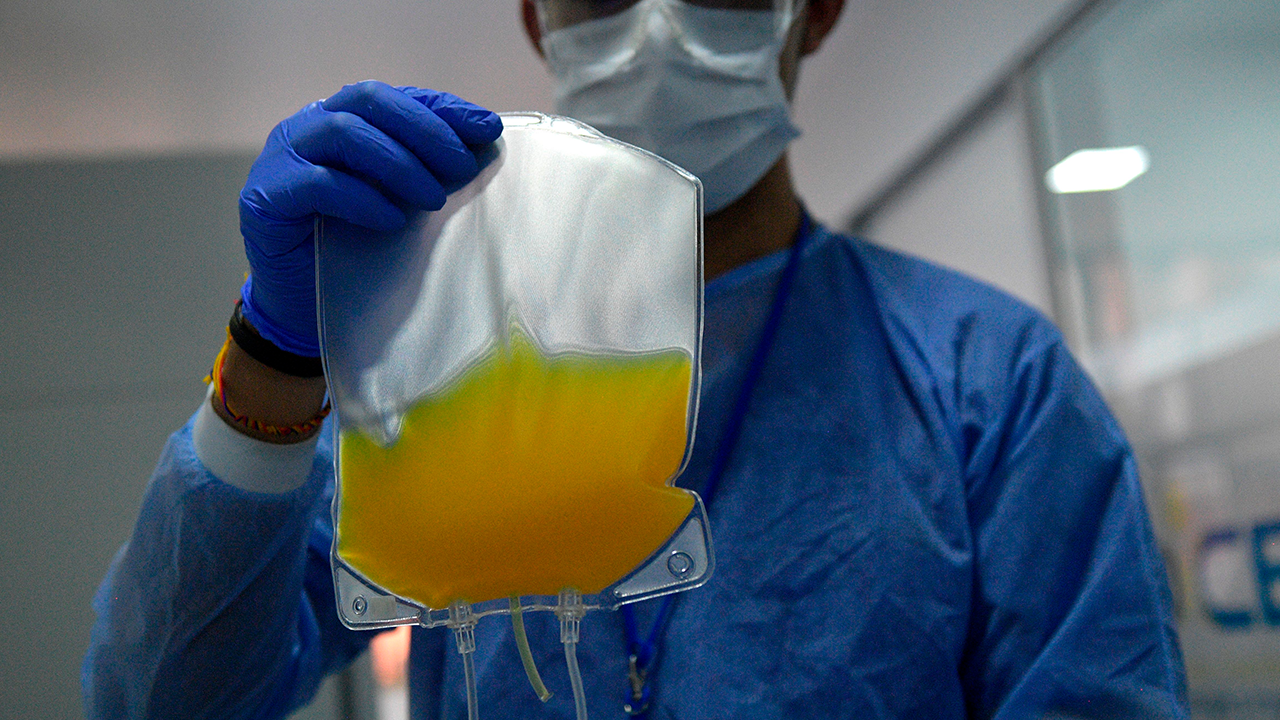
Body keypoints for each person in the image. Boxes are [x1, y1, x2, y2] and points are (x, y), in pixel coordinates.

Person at [83, 0, 1189, 717]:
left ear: (817, 10)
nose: (656, 27)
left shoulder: (986, 383)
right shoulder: (428, 359)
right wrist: (273, 360)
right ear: (537, 17)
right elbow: (160, 701)